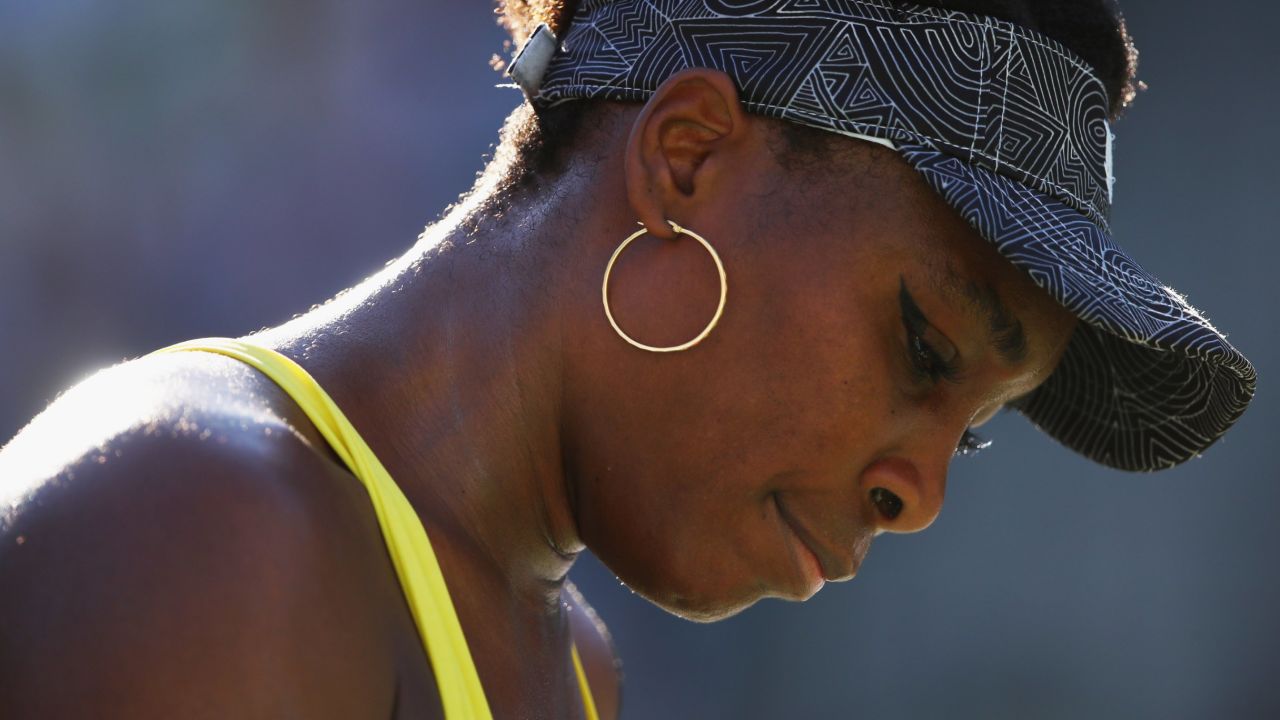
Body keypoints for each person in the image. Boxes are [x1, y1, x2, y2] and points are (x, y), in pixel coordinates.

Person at [0, 0, 1256, 718]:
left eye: (973, 425)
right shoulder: (210, 540)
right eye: (920, 347)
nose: (917, 494)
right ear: (686, 163)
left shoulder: (576, 671)